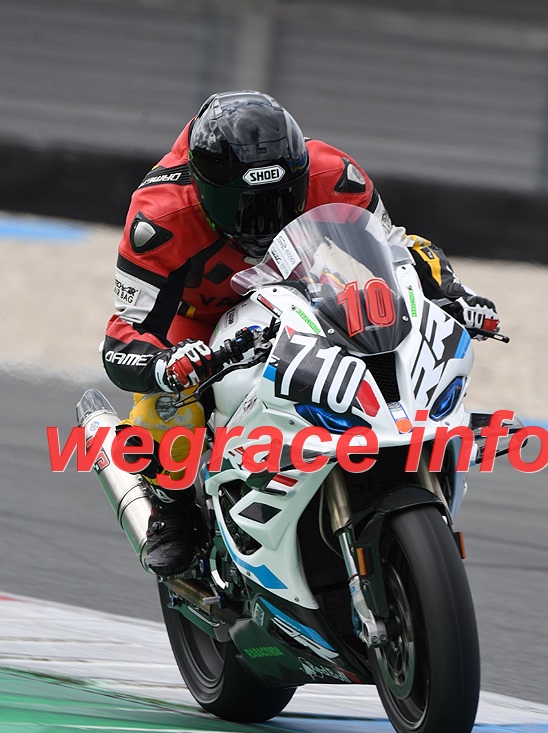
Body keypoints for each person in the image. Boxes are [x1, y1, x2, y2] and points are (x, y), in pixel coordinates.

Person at [102, 90, 499, 577]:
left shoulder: (337, 175)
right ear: (204, 189)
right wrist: (166, 363)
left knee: (382, 330)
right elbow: (126, 333)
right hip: (199, 317)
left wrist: (453, 294)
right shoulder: (159, 218)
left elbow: (398, 250)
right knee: (166, 411)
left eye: (280, 197)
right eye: (243, 203)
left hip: (304, 282)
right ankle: (174, 512)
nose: (264, 217)